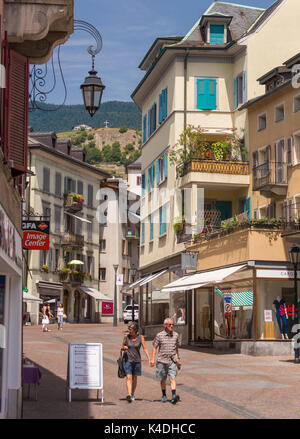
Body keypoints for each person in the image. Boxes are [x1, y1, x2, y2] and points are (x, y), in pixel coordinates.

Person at [150, 317, 182, 404]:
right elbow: (154, 348)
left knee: (172, 378)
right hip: (162, 360)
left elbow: (176, 348)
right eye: (170, 324)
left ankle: (174, 396)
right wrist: (152, 359)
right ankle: (164, 395)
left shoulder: (176, 335)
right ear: (165, 325)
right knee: (163, 379)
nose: (171, 326)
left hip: (172, 360)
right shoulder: (159, 335)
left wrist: (178, 359)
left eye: (172, 324)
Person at [121, 321, 151, 402]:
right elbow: (122, 347)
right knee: (128, 377)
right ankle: (129, 394)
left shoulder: (141, 337)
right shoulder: (126, 337)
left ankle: (132, 393)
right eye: (128, 329)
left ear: (135, 330)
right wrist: (124, 347)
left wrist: (149, 358)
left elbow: (145, 348)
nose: (128, 330)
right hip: (127, 360)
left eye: (130, 329)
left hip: (137, 360)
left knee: (135, 378)